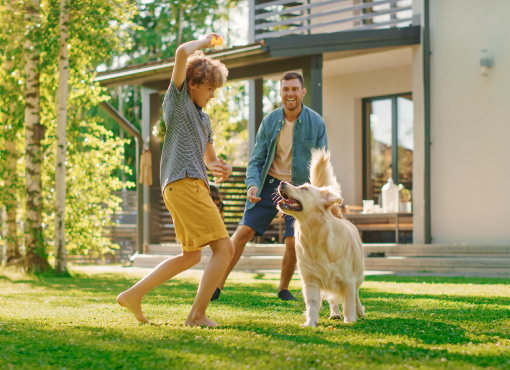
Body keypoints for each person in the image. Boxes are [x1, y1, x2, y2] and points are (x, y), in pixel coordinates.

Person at [117, 34, 235, 326]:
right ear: (192, 84)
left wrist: (223, 168)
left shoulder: (204, 120)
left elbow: (210, 159)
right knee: (225, 249)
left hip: (184, 185)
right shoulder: (178, 101)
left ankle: (133, 295)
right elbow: (182, 52)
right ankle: (196, 315)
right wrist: (206, 42)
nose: (212, 95)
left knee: (191, 256)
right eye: (209, 88)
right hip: (185, 183)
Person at [212, 71, 328, 302]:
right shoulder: (270, 121)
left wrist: (320, 196)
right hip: (270, 184)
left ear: (303, 92)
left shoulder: (316, 122)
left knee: (294, 241)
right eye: (286, 89)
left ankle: (283, 289)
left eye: (295, 89)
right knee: (243, 232)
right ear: (281, 93)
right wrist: (252, 185)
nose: (290, 93)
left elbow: (322, 165)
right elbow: (256, 160)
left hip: (298, 189)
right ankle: (216, 284)